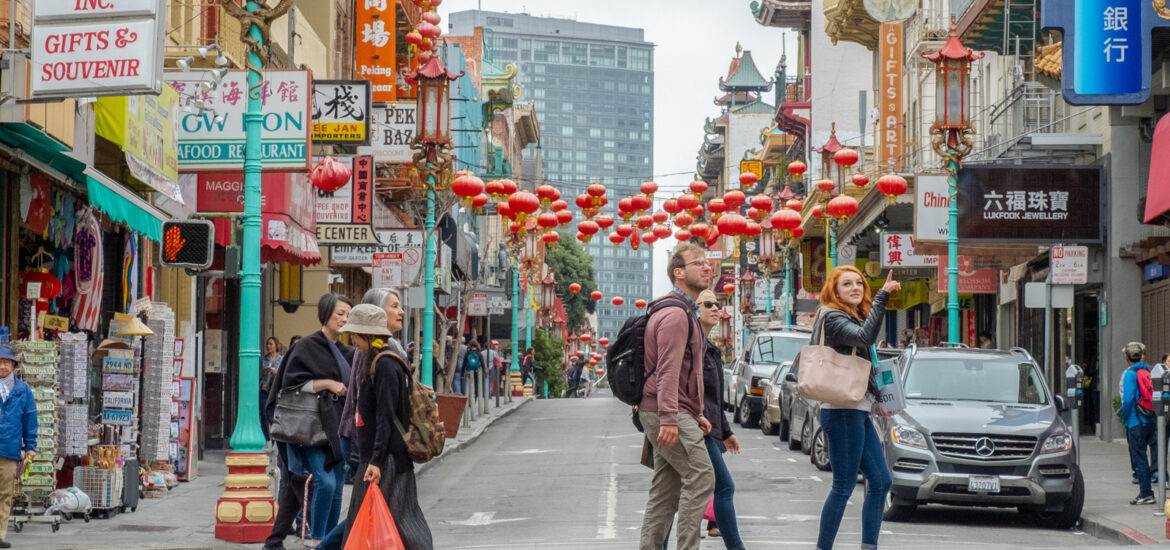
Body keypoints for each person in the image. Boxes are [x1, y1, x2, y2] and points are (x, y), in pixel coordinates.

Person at [815, 266, 899, 550]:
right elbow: (864, 338)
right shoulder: (833, 318)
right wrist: (882, 298)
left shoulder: (854, 316)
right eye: (847, 284)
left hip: (857, 408)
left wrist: (878, 399)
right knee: (843, 485)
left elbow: (866, 356)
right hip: (841, 410)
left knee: (880, 481)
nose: (855, 288)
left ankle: (868, 546)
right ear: (834, 291)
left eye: (859, 283)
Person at [336, 304, 433, 549]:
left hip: (387, 460)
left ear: (367, 335)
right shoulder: (376, 360)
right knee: (371, 520)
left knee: (402, 523)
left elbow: (385, 417)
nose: (353, 340)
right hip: (378, 458)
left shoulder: (386, 364)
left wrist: (376, 462)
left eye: (355, 335)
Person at [638, 242, 714, 550]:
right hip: (665, 411)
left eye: (708, 263)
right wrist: (671, 417)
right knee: (702, 476)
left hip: (670, 410)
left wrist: (696, 414)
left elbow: (684, 372)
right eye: (699, 263)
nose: (707, 267)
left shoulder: (685, 311)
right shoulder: (675, 314)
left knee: (666, 491)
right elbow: (667, 372)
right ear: (679, 273)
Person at [265, 294, 353, 547]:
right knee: (324, 483)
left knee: (336, 488)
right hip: (311, 430)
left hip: (338, 428)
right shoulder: (306, 346)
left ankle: (328, 541)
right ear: (325, 314)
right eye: (339, 313)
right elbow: (291, 385)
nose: (344, 319)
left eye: (347, 314)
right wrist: (328, 384)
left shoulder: (347, 351)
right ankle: (316, 540)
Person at [696, 290, 743, 548]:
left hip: (710, 431)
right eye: (708, 304)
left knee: (673, 495)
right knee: (724, 487)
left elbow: (715, 400)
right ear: (694, 310)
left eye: (718, 303)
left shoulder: (710, 349)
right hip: (696, 429)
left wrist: (726, 432)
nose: (716, 308)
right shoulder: (693, 346)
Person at [0, 343, 36, 549]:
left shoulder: (23, 390)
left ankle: (0, 534)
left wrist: (30, 446)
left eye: (6, 362)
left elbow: (30, 419)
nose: (3, 366)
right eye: (0, 362)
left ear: (13, 365)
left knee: (5, 493)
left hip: (10, 449)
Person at [1120, 342, 1156, 504]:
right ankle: (1149, 491)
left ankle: (1146, 492)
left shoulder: (1130, 374)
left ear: (1127, 357)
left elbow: (1127, 400)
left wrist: (1125, 418)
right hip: (1150, 419)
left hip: (1136, 420)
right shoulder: (1147, 370)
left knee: (1139, 458)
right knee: (1147, 456)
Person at [260, 337, 283, 442]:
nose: (268, 346)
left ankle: (275, 439)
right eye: (267, 344)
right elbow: (258, 374)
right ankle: (267, 439)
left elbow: (283, 373)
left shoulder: (281, 359)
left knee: (274, 415)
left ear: (276, 345)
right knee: (264, 415)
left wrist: (275, 371)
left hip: (275, 390)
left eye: (271, 344)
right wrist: (264, 371)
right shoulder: (263, 359)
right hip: (264, 389)